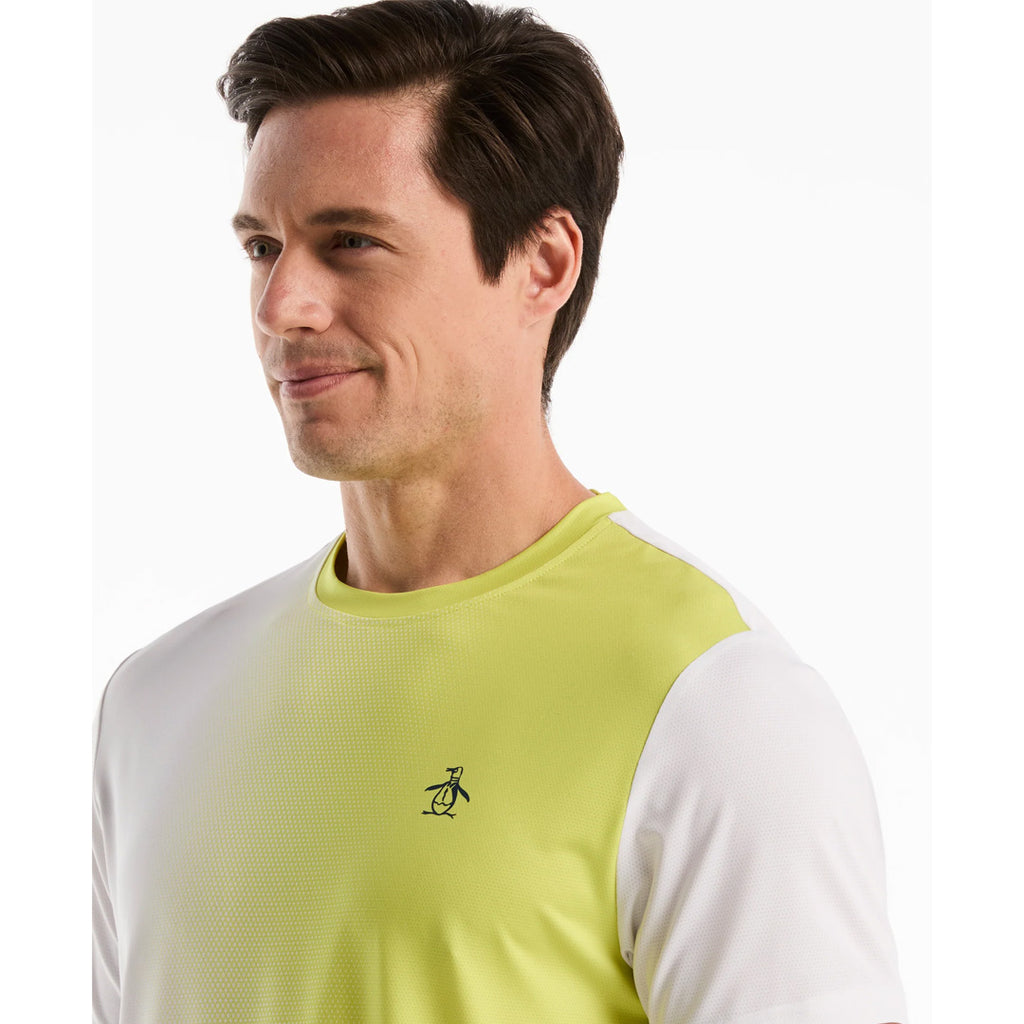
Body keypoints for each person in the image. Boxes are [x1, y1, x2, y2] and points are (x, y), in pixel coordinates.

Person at [91, 2, 907, 1021]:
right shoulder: (155, 703)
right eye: (263, 247)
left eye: (350, 241)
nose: (281, 306)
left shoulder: (714, 706)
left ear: (543, 262)